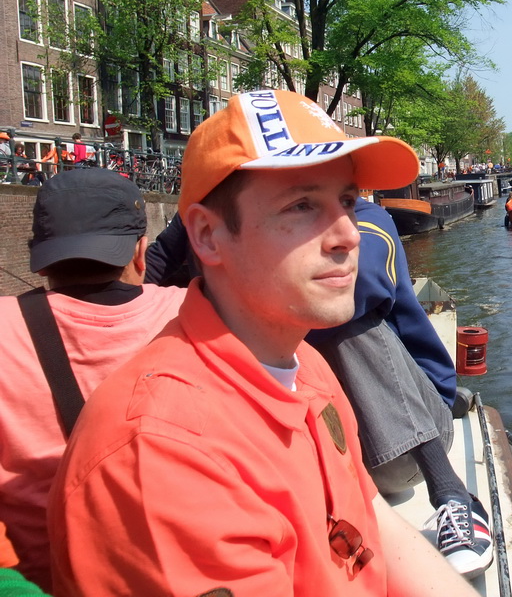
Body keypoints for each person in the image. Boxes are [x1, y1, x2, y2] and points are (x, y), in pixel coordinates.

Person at [47, 89, 478, 596]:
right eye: (301, 205)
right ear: (207, 237)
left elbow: (371, 519)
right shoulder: (162, 457)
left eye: (347, 201)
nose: (349, 233)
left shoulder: (307, 369)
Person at [0, 169, 186, 592]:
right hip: (167, 574)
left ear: (40, 254)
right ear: (140, 252)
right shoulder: (190, 314)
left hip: (41, 578)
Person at [307, 198, 492, 577]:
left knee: (341, 316)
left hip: (401, 447)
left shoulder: (371, 220)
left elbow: (358, 281)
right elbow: (159, 262)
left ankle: (451, 493)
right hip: (324, 458)